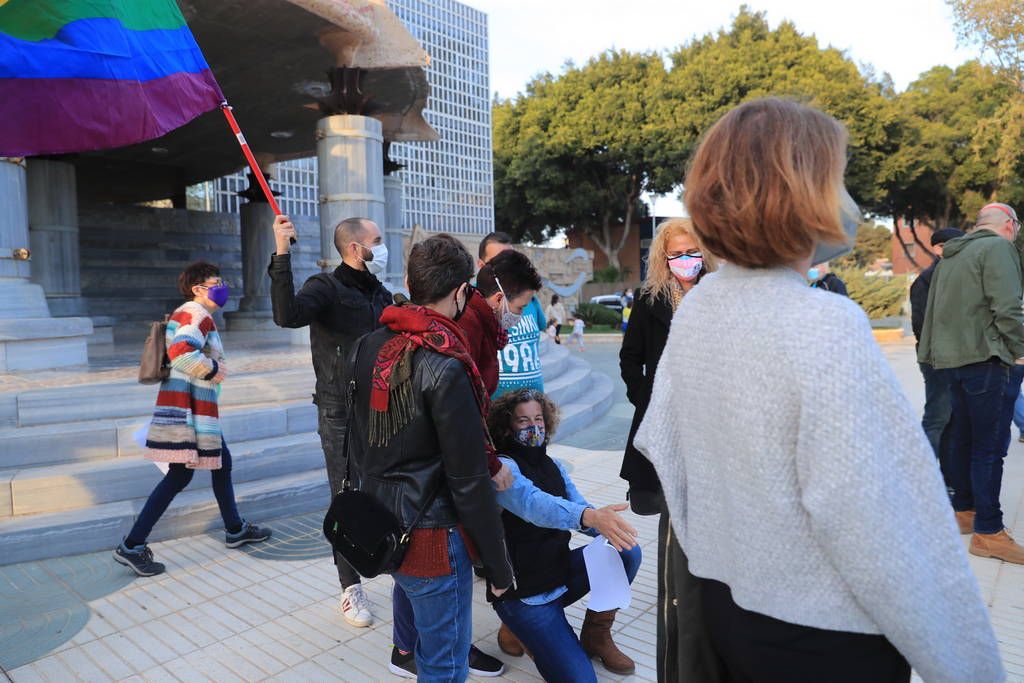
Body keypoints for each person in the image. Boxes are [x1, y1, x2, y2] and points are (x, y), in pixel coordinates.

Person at [637, 98, 1002, 682]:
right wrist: (969, 667)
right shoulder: (824, 325)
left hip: (728, 610)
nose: (844, 199)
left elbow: (667, 450)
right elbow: (886, 526)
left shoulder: (701, 307)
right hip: (824, 637)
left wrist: (717, 560)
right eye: (834, 179)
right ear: (802, 193)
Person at [347, 235, 515, 683]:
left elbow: (357, 441)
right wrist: (497, 567)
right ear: (462, 292)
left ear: (408, 281)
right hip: (434, 542)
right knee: (444, 666)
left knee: (431, 655)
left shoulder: (370, 344)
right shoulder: (448, 362)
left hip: (383, 529)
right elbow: (468, 478)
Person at [388, 246, 542, 677]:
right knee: (445, 651)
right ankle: (423, 646)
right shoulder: (463, 334)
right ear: (494, 296)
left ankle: (409, 645)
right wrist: (490, 464)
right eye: (520, 305)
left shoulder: (465, 323)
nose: (520, 315)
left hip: (415, 487)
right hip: (441, 484)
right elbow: (463, 426)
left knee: (416, 566)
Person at [267, 215, 392, 627]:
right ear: (356, 248)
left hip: (380, 408)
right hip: (338, 410)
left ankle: (393, 560)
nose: (383, 246)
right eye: (377, 240)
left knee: (386, 487)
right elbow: (287, 314)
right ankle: (350, 587)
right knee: (345, 494)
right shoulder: (325, 287)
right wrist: (281, 251)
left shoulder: (383, 294)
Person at [114, 262, 271, 576]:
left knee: (221, 464)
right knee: (179, 476)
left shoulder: (191, 313)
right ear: (198, 288)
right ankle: (131, 545)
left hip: (192, 409)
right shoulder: (195, 313)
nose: (222, 287)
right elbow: (182, 352)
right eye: (216, 282)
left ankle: (234, 528)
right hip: (189, 412)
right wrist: (216, 371)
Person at [619, 218, 717, 682]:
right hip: (665, 424)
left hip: (711, 424)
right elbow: (629, 358)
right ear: (664, 256)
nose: (686, 260)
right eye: (677, 253)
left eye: (693, 251)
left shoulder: (720, 294)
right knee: (671, 525)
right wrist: (649, 400)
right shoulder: (651, 300)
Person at [487, 388, 642, 681]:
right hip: (524, 594)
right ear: (506, 427)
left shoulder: (553, 465)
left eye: (538, 419)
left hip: (557, 572)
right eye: (523, 421)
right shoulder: (502, 469)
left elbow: (579, 507)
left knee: (626, 549)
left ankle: (596, 636)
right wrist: (588, 516)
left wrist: (603, 522)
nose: (534, 427)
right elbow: (533, 504)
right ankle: (517, 627)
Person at [919, 202, 1024, 564]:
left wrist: (928, 357)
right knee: (989, 446)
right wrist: (1020, 349)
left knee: (962, 437)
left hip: (950, 362)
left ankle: (963, 510)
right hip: (987, 359)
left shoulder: (952, 254)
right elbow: (1008, 307)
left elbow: (935, 311)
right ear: (1010, 225)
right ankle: (989, 531)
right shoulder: (998, 248)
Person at [909, 227, 965, 489]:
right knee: (938, 418)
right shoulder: (926, 280)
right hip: (935, 360)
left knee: (952, 420)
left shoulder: (958, 276)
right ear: (938, 249)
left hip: (956, 359)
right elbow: (920, 325)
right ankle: (925, 481)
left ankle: (949, 479)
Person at [479, 232, 548, 396]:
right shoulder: (473, 306)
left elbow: (541, 329)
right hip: (496, 408)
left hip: (533, 404)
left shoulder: (529, 299)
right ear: (482, 266)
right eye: (499, 261)